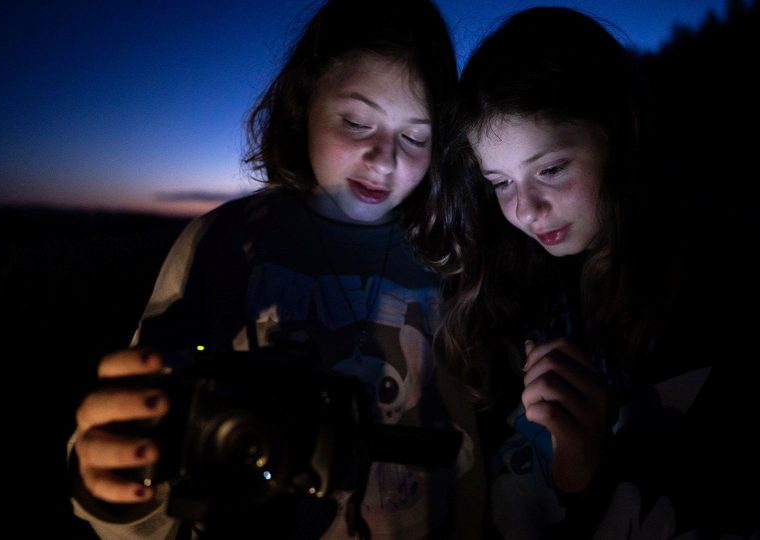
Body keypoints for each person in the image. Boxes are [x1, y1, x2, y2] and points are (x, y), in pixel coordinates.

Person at [418, 7, 760, 539]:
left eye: (551, 169)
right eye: (500, 183)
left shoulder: (740, 291)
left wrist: (590, 469)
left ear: (619, 134)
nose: (527, 210)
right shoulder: (515, 300)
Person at [68, 1, 484, 538]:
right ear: (302, 103)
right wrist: (116, 482)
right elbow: (142, 437)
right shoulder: (225, 242)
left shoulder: (444, 256)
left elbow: (467, 447)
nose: (384, 160)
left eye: (415, 137)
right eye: (357, 122)